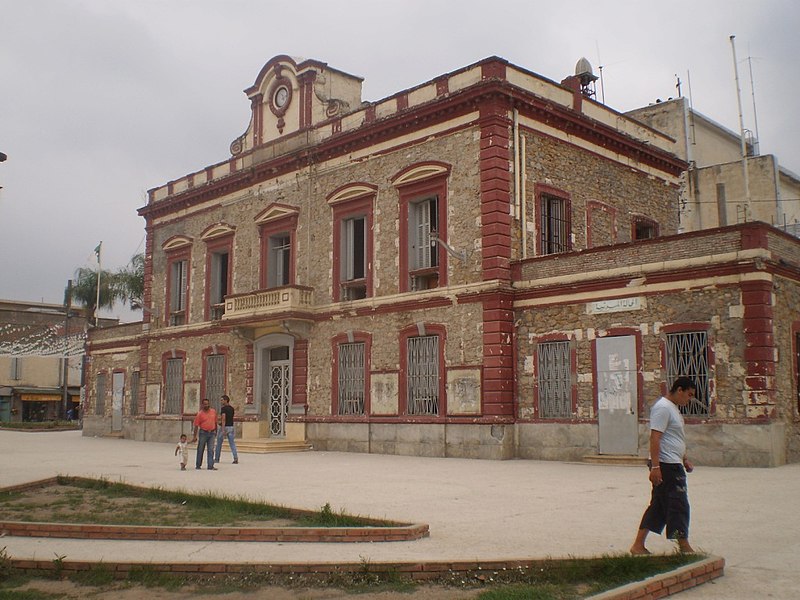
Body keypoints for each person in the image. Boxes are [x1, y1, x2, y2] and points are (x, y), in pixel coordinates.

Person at [630, 376, 697, 555]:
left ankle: (638, 545)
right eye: (688, 395)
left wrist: (684, 459)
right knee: (679, 504)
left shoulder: (673, 409)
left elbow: (675, 438)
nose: (689, 399)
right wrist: (656, 467)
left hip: (674, 462)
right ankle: (684, 546)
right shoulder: (663, 408)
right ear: (679, 390)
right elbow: (655, 437)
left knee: (658, 506)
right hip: (666, 466)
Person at [191, 398, 218, 470]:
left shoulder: (213, 411)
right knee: (200, 449)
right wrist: (194, 436)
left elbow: (215, 422)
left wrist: (216, 431)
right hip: (203, 432)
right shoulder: (200, 414)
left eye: (207, 404)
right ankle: (198, 465)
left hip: (212, 433)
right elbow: (196, 425)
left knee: (211, 449)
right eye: (205, 404)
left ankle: (210, 465)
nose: (206, 405)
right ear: (202, 405)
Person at [214, 394, 239, 465]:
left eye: (222, 400)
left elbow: (223, 419)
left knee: (219, 443)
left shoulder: (224, 409)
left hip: (225, 427)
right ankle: (235, 457)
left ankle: (216, 458)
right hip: (231, 427)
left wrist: (223, 429)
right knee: (232, 443)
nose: (221, 401)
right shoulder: (232, 408)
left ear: (226, 400)